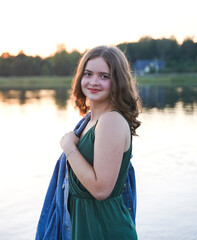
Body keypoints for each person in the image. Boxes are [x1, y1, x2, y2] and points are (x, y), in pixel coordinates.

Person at [60, 45, 141, 239]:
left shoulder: (111, 121)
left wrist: (69, 147)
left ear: (118, 81)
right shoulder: (91, 121)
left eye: (104, 76)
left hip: (104, 229)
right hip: (86, 225)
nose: (94, 82)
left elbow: (101, 189)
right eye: (88, 74)